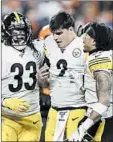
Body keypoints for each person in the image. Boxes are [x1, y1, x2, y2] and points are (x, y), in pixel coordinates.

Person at [39, 11, 88, 141]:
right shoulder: (49, 44)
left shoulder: (84, 46)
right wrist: (42, 80)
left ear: (71, 29)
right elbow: (46, 82)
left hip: (78, 109)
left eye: (59, 33)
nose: (55, 37)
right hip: (54, 110)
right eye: (53, 33)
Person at [1, 11, 49, 141]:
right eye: (15, 32)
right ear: (6, 32)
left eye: (22, 31)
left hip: (32, 117)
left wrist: (42, 81)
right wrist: (4, 101)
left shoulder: (37, 48)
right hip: (6, 118)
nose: (20, 35)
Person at [69, 22, 113, 141]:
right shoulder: (106, 55)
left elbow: (104, 102)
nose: (82, 39)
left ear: (94, 41)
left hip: (104, 119)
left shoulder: (99, 60)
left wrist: (82, 129)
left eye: (86, 36)